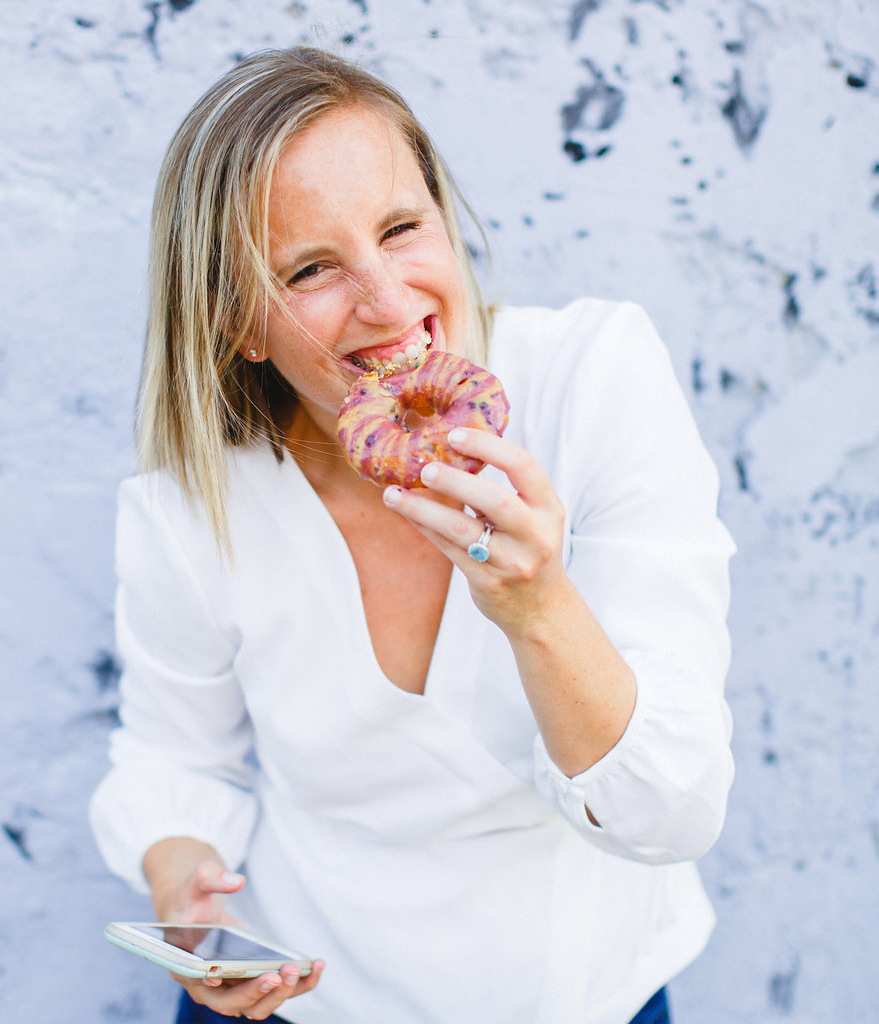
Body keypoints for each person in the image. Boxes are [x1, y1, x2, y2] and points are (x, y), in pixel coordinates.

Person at [90, 46, 736, 1024]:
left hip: (579, 995)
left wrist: (538, 608)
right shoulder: (191, 509)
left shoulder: (593, 381)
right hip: (306, 998)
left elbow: (673, 813)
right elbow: (174, 759)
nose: (389, 303)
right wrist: (184, 890)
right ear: (237, 323)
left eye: (401, 228)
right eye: (311, 269)